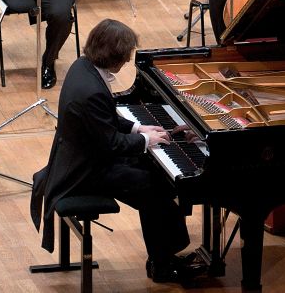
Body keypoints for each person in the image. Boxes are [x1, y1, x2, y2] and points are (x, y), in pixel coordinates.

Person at [30, 19, 211, 284]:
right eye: (125, 58)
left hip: (83, 156)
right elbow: (112, 144)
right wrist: (145, 140)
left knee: (153, 172)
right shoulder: (92, 91)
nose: (127, 61)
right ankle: (162, 265)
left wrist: (138, 128)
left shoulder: (82, 67)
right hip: (84, 172)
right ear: (114, 57)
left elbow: (104, 119)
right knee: (151, 185)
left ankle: (162, 254)